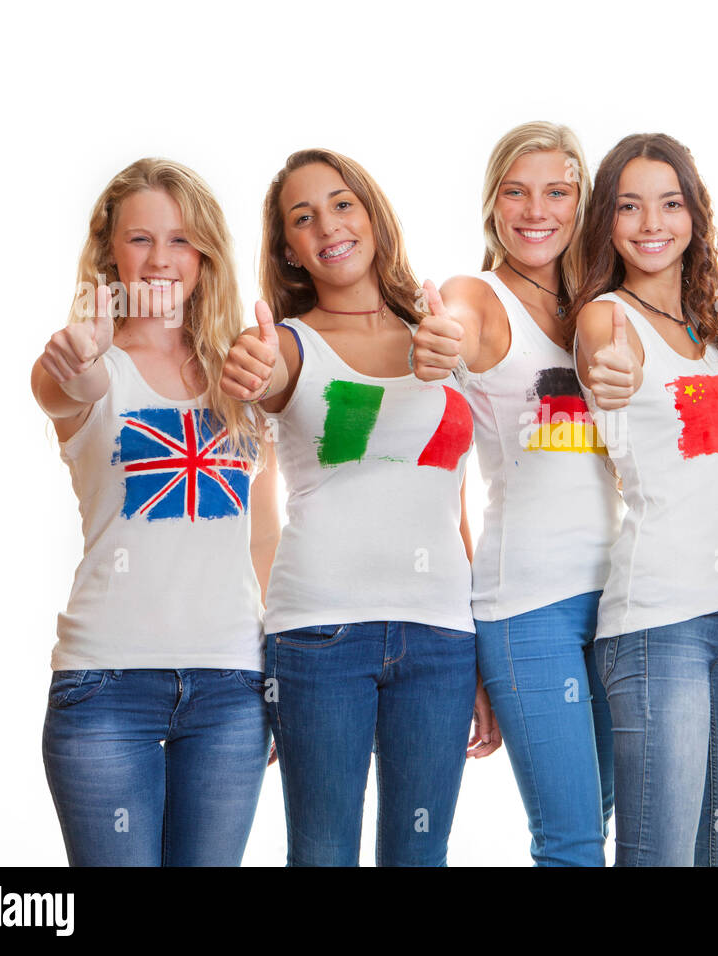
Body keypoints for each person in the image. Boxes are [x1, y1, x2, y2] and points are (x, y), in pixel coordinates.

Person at [220, 148, 497, 867]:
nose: (328, 226)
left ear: (371, 214)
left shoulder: (437, 339)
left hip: (440, 637)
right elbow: (261, 373)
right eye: (303, 217)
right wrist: (249, 366)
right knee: (322, 855)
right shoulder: (287, 344)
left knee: (419, 855)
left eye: (343, 203)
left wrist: (477, 659)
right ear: (289, 248)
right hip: (318, 637)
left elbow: (454, 499)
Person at [34, 158, 272, 866]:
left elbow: (264, 535)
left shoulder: (243, 374)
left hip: (230, 687)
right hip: (105, 685)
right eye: (141, 240)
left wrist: (279, 669)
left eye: (181, 240)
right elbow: (60, 385)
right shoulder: (90, 365)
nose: (161, 260)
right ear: (111, 250)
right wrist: (81, 355)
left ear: (205, 255)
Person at [411, 121, 620, 866]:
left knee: (599, 819)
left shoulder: (605, 302)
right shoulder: (479, 295)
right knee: (570, 844)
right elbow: (456, 329)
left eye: (557, 191)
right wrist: (442, 339)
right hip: (528, 608)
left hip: (624, 598)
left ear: (581, 201)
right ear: (491, 202)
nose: (537, 210)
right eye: (516, 191)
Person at [573, 132, 718, 867]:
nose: (652, 223)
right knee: (660, 856)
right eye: (629, 206)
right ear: (607, 224)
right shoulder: (607, 317)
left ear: (694, 215)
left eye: (670, 203)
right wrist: (609, 372)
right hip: (658, 627)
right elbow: (602, 361)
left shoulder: (713, 332)